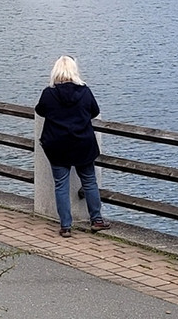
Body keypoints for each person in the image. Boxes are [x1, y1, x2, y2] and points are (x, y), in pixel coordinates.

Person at [34, 55, 111, 237]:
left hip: (57, 145)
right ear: (75, 71)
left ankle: (66, 226)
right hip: (82, 143)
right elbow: (95, 111)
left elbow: (40, 110)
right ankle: (96, 219)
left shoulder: (49, 93)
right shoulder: (85, 92)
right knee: (89, 181)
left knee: (61, 184)